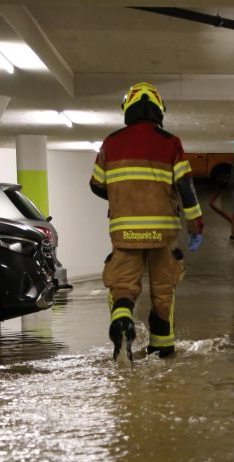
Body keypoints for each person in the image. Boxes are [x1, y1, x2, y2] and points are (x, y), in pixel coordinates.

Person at [89, 82, 204, 362]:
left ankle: (123, 322)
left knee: (123, 286)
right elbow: (185, 186)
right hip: (163, 233)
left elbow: (96, 184)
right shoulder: (170, 142)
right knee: (163, 289)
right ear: (158, 110)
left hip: (124, 231)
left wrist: (122, 196)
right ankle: (162, 348)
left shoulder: (111, 143)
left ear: (127, 109)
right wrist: (195, 223)